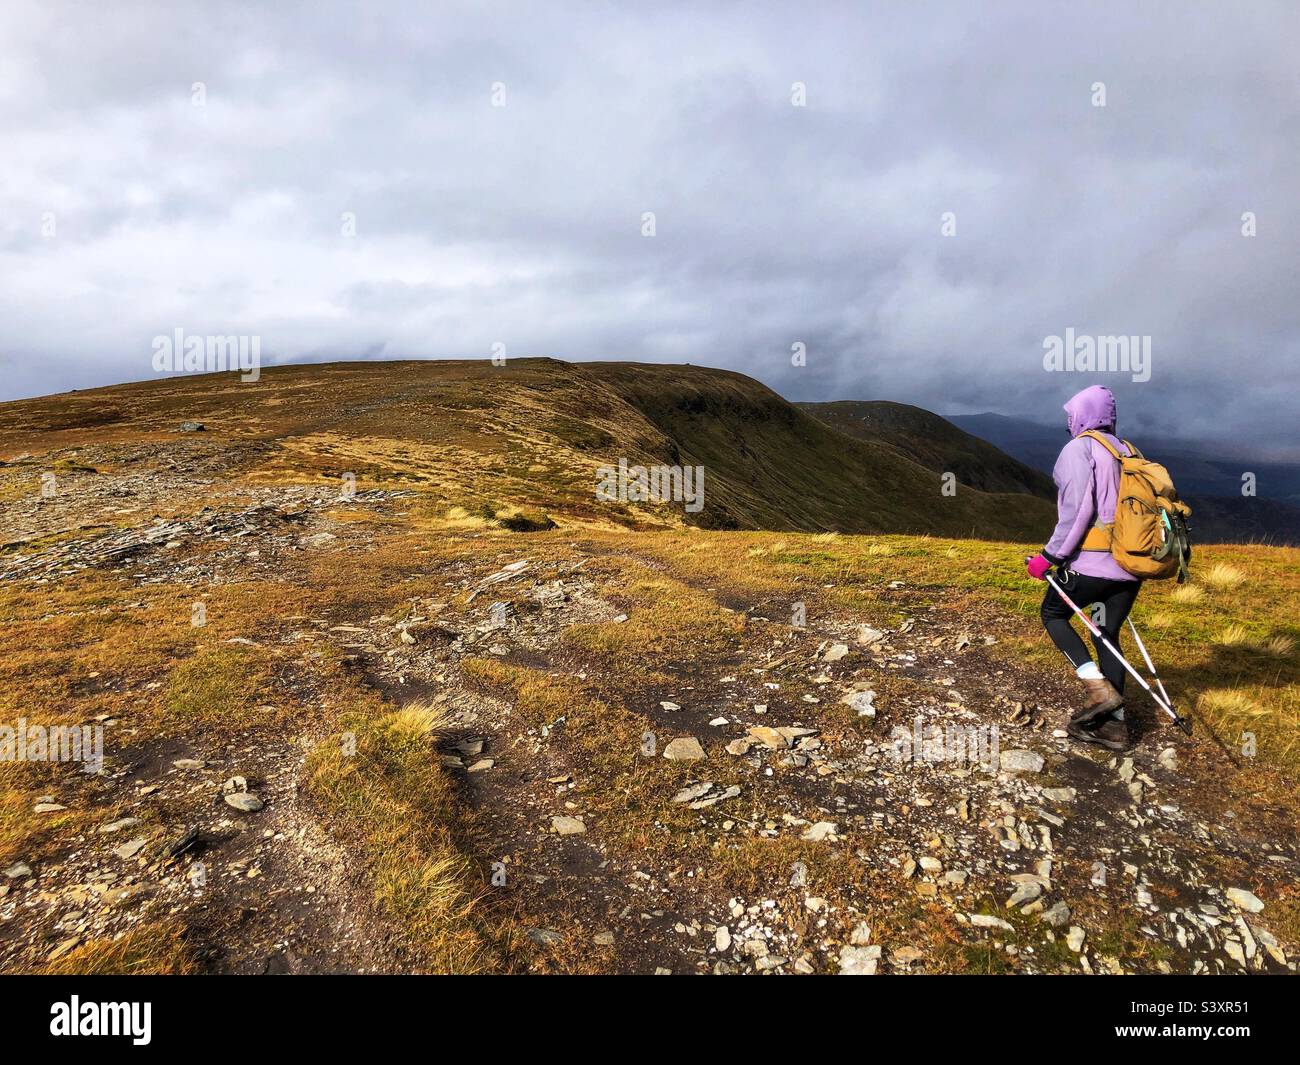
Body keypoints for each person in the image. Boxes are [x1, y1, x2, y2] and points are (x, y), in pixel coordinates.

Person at [1025, 385, 1139, 751]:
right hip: (1130, 566)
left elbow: (1077, 512)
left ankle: (1096, 688)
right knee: (1106, 634)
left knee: (1053, 614)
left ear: (1081, 415)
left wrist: (1050, 557)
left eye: (1070, 415)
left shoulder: (1079, 449)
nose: (1067, 422)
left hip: (1091, 563)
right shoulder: (1128, 451)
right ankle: (1115, 728)